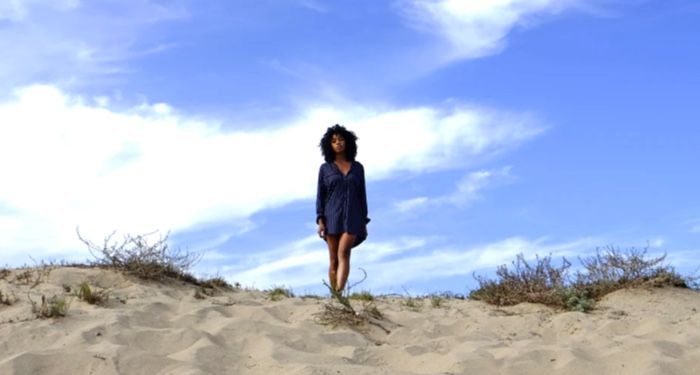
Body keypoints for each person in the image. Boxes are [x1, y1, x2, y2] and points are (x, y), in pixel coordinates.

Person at [316, 124, 370, 293]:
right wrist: (320, 219)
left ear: (347, 142)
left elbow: (362, 195)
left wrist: (364, 221)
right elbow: (320, 195)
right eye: (334, 141)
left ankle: (339, 291)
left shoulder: (358, 168)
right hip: (331, 216)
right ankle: (335, 296)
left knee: (344, 252)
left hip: (353, 217)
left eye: (341, 139)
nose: (338, 143)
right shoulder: (325, 169)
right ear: (329, 145)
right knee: (333, 260)